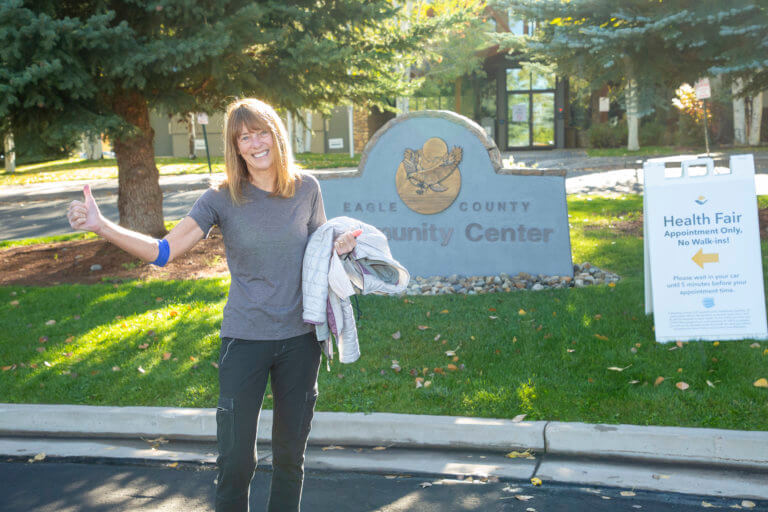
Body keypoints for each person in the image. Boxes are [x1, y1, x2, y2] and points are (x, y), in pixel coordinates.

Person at [66, 98, 359, 512]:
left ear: (276, 134)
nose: (255, 143)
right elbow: (163, 251)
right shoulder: (221, 198)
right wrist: (101, 226)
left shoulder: (307, 187)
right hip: (245, 340)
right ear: (235, 147)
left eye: (261, 132)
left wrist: (341, 248)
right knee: (237, 461)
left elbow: (318, 255)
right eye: (244, 137)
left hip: (301, 340)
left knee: (291, 457)